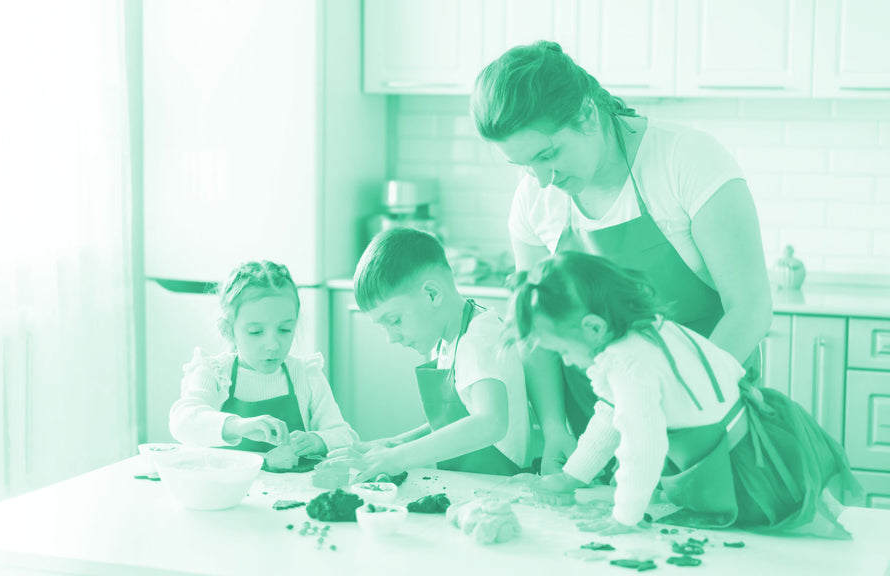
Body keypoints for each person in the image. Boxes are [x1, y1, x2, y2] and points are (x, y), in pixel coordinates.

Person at [471, 41, 773, 474]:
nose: (541, 180)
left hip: (707, 417)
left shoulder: (686, 161)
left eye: (547, 154)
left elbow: (751, 309)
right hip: (597, 429)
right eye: (522, 165)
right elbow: (534, 326)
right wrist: (556, 428)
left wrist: (674, 405)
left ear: (587, 115)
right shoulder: (536, 201)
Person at [512, 251, 859, 537]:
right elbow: (610, 416)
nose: (567, 361)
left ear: (593, 327)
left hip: (744, 470)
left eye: (562, 350)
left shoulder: (627, 363)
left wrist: (625, 516)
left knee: (809, 541)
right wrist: (573, 477)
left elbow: (642, 445)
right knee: (825, 527)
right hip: (769, 438)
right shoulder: (649, 329)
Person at [323, 228, 533, 479]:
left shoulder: (478, 338)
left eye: (394, 320)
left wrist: (397, 458)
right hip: (473, 483)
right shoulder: (451, 335)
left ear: (432, 294)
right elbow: (456, 419)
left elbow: (490, 423)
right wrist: (395, 443)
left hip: (499, 484)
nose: (391, 337)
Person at [169, 260, 357, 456]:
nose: (273, 345)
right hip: (226, 485)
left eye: (285, 330)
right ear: (227, 330)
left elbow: (345, 436)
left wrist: (317, 441)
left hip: (293, 487)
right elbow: (182, 422)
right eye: (256, 332)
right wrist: (238, 426)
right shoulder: (214, 372)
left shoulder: (306, 375)